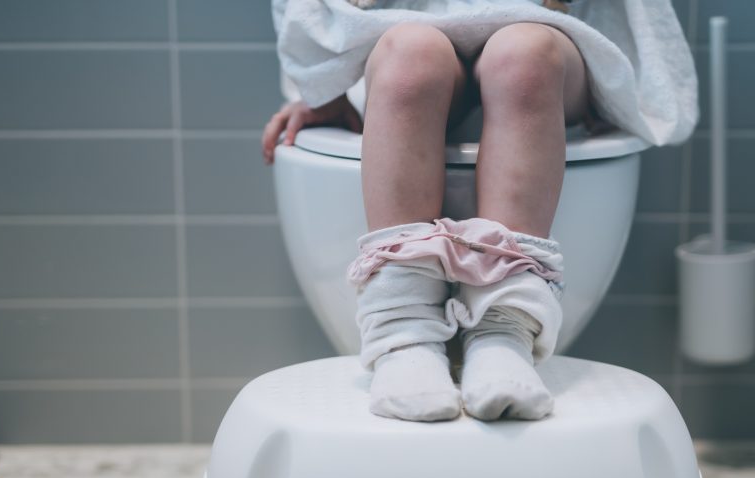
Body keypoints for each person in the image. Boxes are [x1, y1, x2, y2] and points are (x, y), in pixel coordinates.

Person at [262, 0, 696, 422]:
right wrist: (317, 85)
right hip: (393, 34)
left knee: (526, 56)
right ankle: (403, 334)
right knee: (410, 56)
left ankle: (504, 333)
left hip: (543, 38)